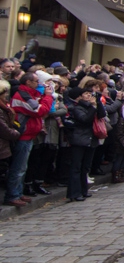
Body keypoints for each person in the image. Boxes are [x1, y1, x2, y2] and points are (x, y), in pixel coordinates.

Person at [4, 73, 53, 207]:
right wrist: (48, 97)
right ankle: (12, 194)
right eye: (36, 81)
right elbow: (38, 110)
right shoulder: (22, 95)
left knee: (23, 167)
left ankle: (18, 193)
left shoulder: (32, 94)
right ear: (28, 82)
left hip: (29, 134)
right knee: (18, 167)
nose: (39, 84)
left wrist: (44, 96)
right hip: (23, 135)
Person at [65, 85, 107, 202]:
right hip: (80, 139)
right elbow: (85, 119)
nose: (89, 96)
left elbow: (102, 115)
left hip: (91, 139)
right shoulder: (77, 108)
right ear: (80, 96)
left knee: (85, 167)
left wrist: (97, 103)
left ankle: (84, 190)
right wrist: (93, 107)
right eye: (86, 94)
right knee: (76, 167)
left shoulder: (92, 106)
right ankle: (74, 192)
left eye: (90, 94)